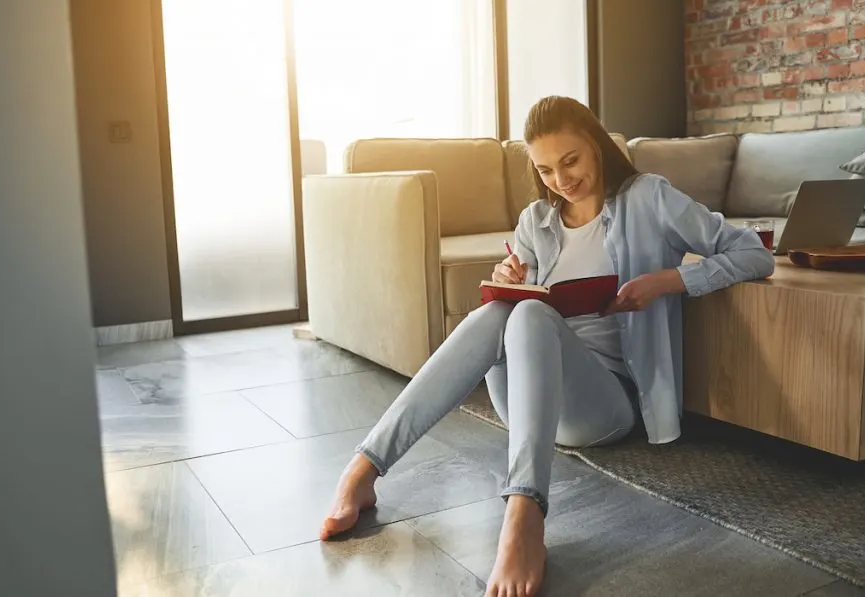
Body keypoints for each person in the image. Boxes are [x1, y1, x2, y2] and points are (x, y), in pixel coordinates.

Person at [318, 96, 775, 597]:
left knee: (531, 313)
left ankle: (524, 512)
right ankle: (365, 467)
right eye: (546, 169)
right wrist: (507, 278)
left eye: (571, 160)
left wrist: (669, 280)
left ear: (597, 146)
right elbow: (523, 304)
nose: (561, 179)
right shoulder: (536, 220)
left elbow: (752, 253)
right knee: (504, 310)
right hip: (528, 404)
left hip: (605, 405)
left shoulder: (649, 198)